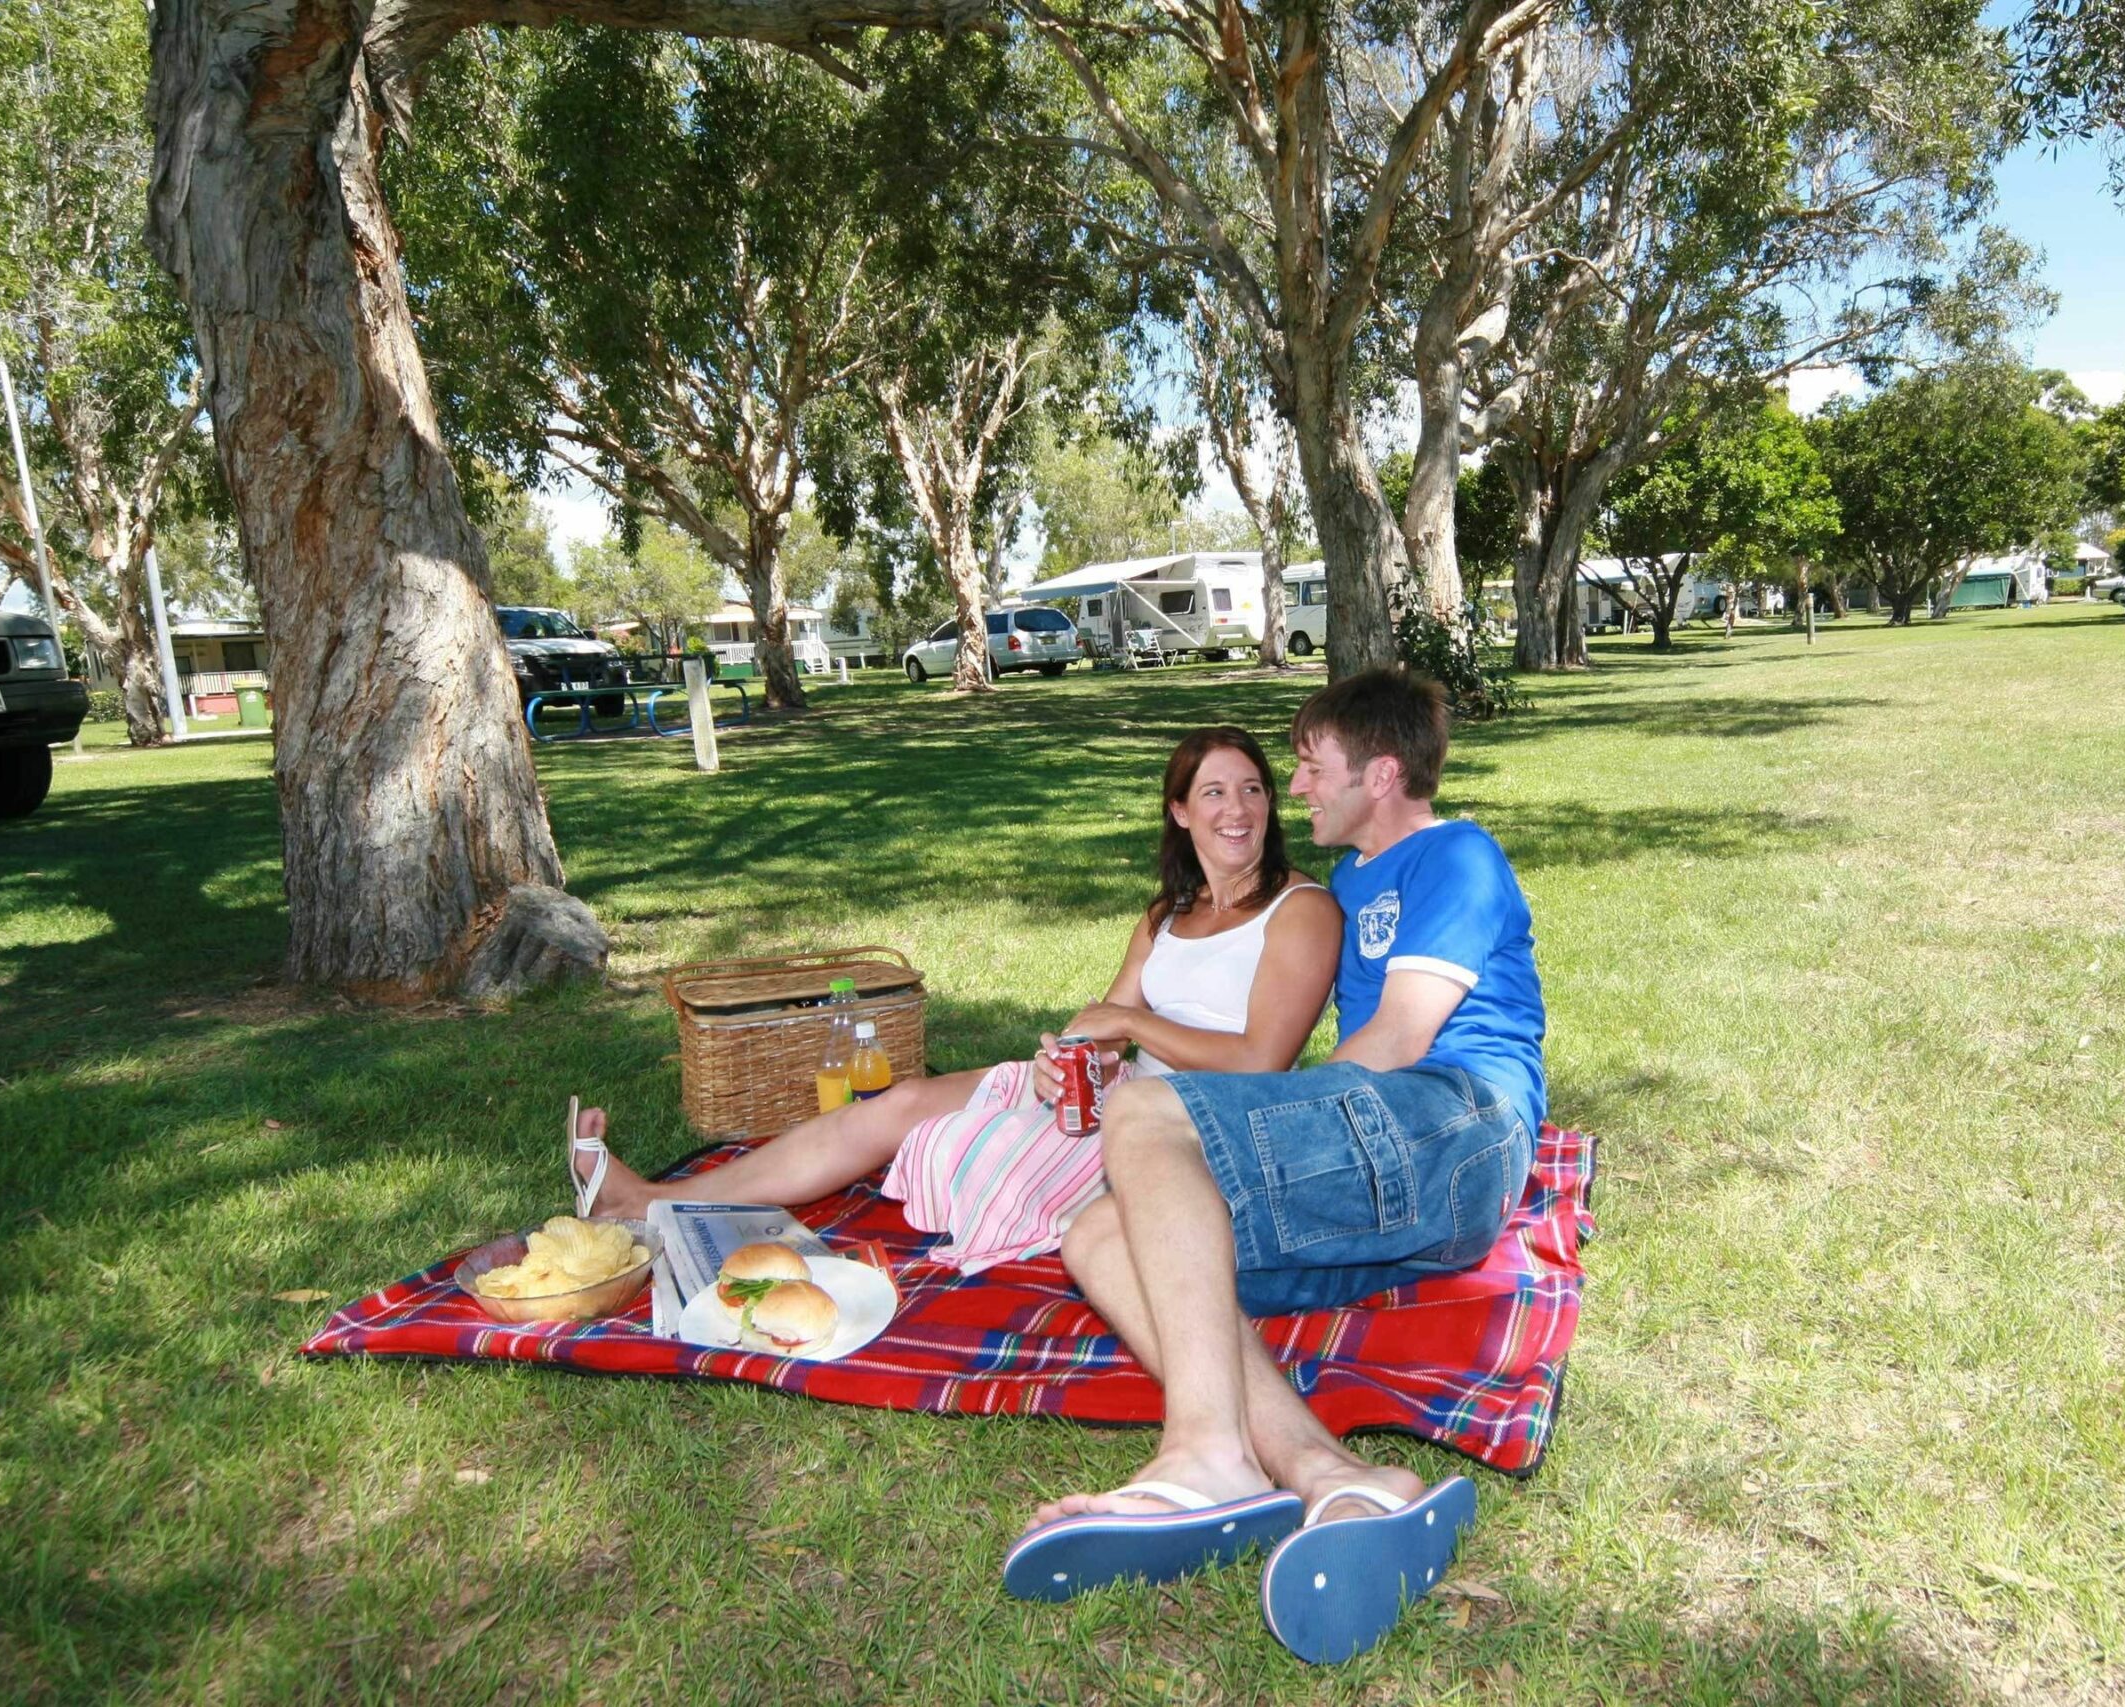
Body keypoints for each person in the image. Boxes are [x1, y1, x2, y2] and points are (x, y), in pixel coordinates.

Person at [1004, 668, 1547, 1666]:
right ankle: (1326, 1474)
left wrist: (1237, 1116)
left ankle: (1205, 1449)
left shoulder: (1454, 856)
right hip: (1397, 1163)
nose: (1292, 789)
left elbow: (1396, 1039)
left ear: (1380, 775)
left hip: (1462, 1126)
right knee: (1099, 1230)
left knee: (1148, 1118)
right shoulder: (1352, 883)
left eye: (1306, 767)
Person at [567, 727, 1341, 1276]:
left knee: (979, 1162)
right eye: (1214, 791)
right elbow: (1102, 1032)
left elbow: (1262, 1060)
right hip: (1127, 1088)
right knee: (903, 1101)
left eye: (1252, 789)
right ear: (1180, 810)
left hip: (1201, 1120)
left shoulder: (1300, 909)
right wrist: (1067, 1061)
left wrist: (1132, 1028)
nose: (1236, 809)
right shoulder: (1165, 914)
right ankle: (654, 1200)